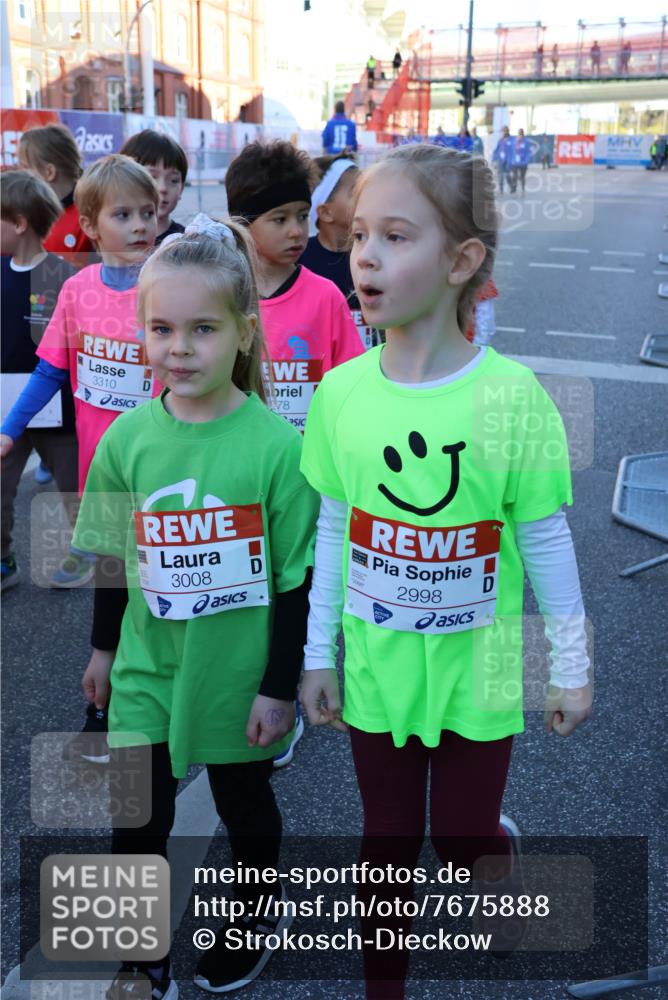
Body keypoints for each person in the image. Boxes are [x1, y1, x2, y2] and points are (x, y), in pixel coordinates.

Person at [300, 143, 592, 999]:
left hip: (484, 669)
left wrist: (570, 666)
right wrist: (317, 655)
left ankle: (492, 849)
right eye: (359, 235)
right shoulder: (340, 394)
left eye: (395, 237)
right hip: (379, 667)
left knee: (461, 841)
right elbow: (333, 529)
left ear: (462, 261)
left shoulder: (513, 397)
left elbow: (546, 538)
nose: (365, 257)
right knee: (386, 842)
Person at [73, 214, 319, 998]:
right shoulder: (125, 441)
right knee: (135, 816)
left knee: (244, 805)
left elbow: (295, 583)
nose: (179, 348)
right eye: (162, 329)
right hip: (147, 669)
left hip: (236, 675)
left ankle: (253, 918)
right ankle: (141, 959)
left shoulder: (280, 449)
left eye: (203, 329)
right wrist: (104, 650)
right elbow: (113, 557)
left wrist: (279, 688)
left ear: (244, 333)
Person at [225, 140, 362, 764]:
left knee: (296, 586)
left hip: (306, 483)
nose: (297, 231)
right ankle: (244, 689)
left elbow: (352, 387)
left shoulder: (326, 298)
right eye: (278, 218)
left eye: (303, 216)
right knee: (245, 586)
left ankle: (284, 693)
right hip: (241, 477)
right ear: (242, 223)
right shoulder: (224, 295)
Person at [0, 170, 78, 591]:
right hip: (8, 413)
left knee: (75, 491)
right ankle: (3, 561)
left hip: (60, 410)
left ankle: (83, 554)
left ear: (19, 223)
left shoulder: (64, 277)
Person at [300, 155, 378, 351]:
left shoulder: (376, 252)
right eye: (354, 192)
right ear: (326, 213)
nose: (365, 197)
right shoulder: (301, 260)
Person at [18, 122, 95, 267]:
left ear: (49, 172)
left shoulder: (90, 217)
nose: (19, 175)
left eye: (25, 168)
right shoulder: (24, 215)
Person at [120, 129, 187, 245]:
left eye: (173, 180)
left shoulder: (185, 244)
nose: (162, 188)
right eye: (151, 177)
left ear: (182, 188)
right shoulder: (110, 238)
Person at [509, 128, 532, 194]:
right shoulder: (514, 141)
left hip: (523, 163)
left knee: (522, 176)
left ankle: (523, 188)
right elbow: (511, 151)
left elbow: (528, 152)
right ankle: (513, 188)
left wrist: (526, 161)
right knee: (514, 176)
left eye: (521, 134)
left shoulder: (526, 142)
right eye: (519, 134)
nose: (520, 136)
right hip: (515, 163)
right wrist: (511, 160)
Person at [492, 125, 514, 193]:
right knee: (500, 175)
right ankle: (501, 189)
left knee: (508, 175)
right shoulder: (500, 140)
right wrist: (493, 159)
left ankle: (512, 187)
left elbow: (513, 151)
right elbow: (496, 150)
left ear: (507, 131)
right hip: (500, 160)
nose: (504, 132)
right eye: (503, 131)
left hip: (508, 160)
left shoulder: (511, 140)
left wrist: (511, 161)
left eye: (505, 131)